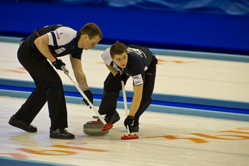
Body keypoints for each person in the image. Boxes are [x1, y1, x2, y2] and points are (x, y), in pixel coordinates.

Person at [8, 23, 103, 139]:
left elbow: (78, 71)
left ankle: (20, 119)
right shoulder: (68, 34)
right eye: (93, 43)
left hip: (37, 55)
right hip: (28, 52)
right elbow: (39, 42)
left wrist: (86, 90)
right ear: (86, 37)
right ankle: (57, 128)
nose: (93, 46)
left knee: (45, 87)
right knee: (54, 84)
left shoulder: (77, 48)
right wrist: (54, 61)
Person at [98, 41, 157, 132]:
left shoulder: (136, 67)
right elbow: (107, 63)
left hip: (147, 63)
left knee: (145, 96)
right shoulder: (107, 55)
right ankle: (111, 114)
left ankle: (134, 120)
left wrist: (131, 116)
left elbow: (138, 95)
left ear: (126, 54)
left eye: (124, 57)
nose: (122, 62)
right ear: (112, 58)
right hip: (131, 58)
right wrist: (115, 73)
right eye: (118, 59)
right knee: (110, 84)